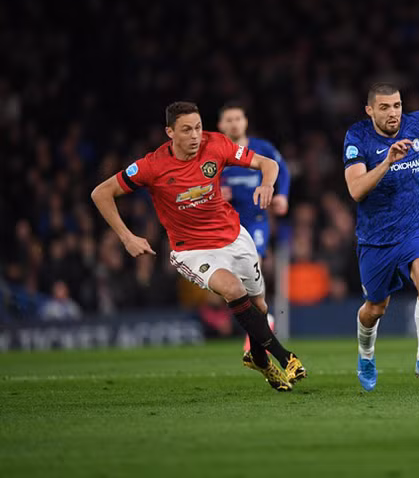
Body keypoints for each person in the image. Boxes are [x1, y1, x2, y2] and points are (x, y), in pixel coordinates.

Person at [90, 101, 306, 391]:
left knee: (259, 306)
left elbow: (268, 163)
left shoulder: (216, 144)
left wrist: (267, 184)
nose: (195, 136)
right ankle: (285, 357)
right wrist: (127, 237)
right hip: (192, 250)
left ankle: (259, 360)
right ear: (170, 132)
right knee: (232, 289)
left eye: (198, 128)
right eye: (187, 130)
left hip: (234, 236)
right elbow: (101, 193)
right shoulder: (151, 166)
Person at [343, 82, 419, 391]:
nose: (393, 113)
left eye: (397, 106)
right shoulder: (357, 137)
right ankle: (366, 354)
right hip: (376, 237)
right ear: (370, 110)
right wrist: (387, 162)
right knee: (375, 308)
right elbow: (356, 190)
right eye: (385, 107)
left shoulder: (417, 122)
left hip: (415, 224)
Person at [218, 102, 290, 349]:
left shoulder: (261, 148)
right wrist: (215, 192)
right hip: (226, 224)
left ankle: (263, 320)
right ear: (220, 125)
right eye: (229, 119)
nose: (234, 123)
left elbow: (283, 170)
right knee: (231, 277)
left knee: (253, 265)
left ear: (245, 121)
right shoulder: (215, 153)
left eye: (238, 118)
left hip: (256, 221)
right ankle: (256, 320)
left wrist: (283, 195)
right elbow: (201, 183)